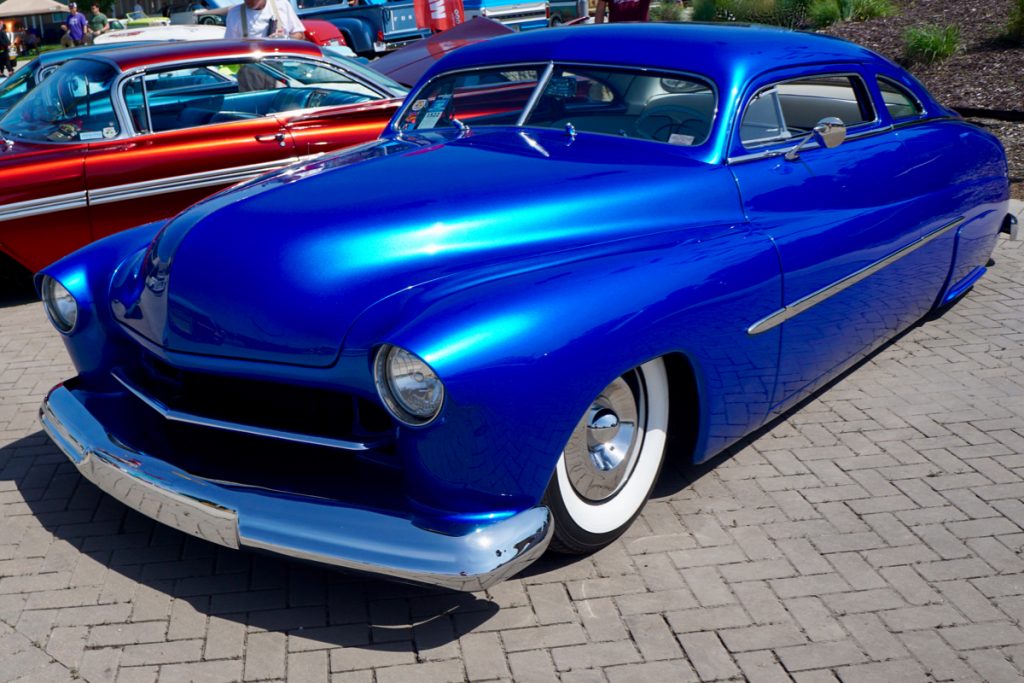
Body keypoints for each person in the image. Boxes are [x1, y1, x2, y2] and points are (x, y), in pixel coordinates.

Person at [224, 0, 304, 39]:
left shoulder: (282, 5)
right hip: (252, 66)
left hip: (280, 64)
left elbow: (300, 35)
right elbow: (230, 46)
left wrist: (285, 38)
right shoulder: (235, 14)